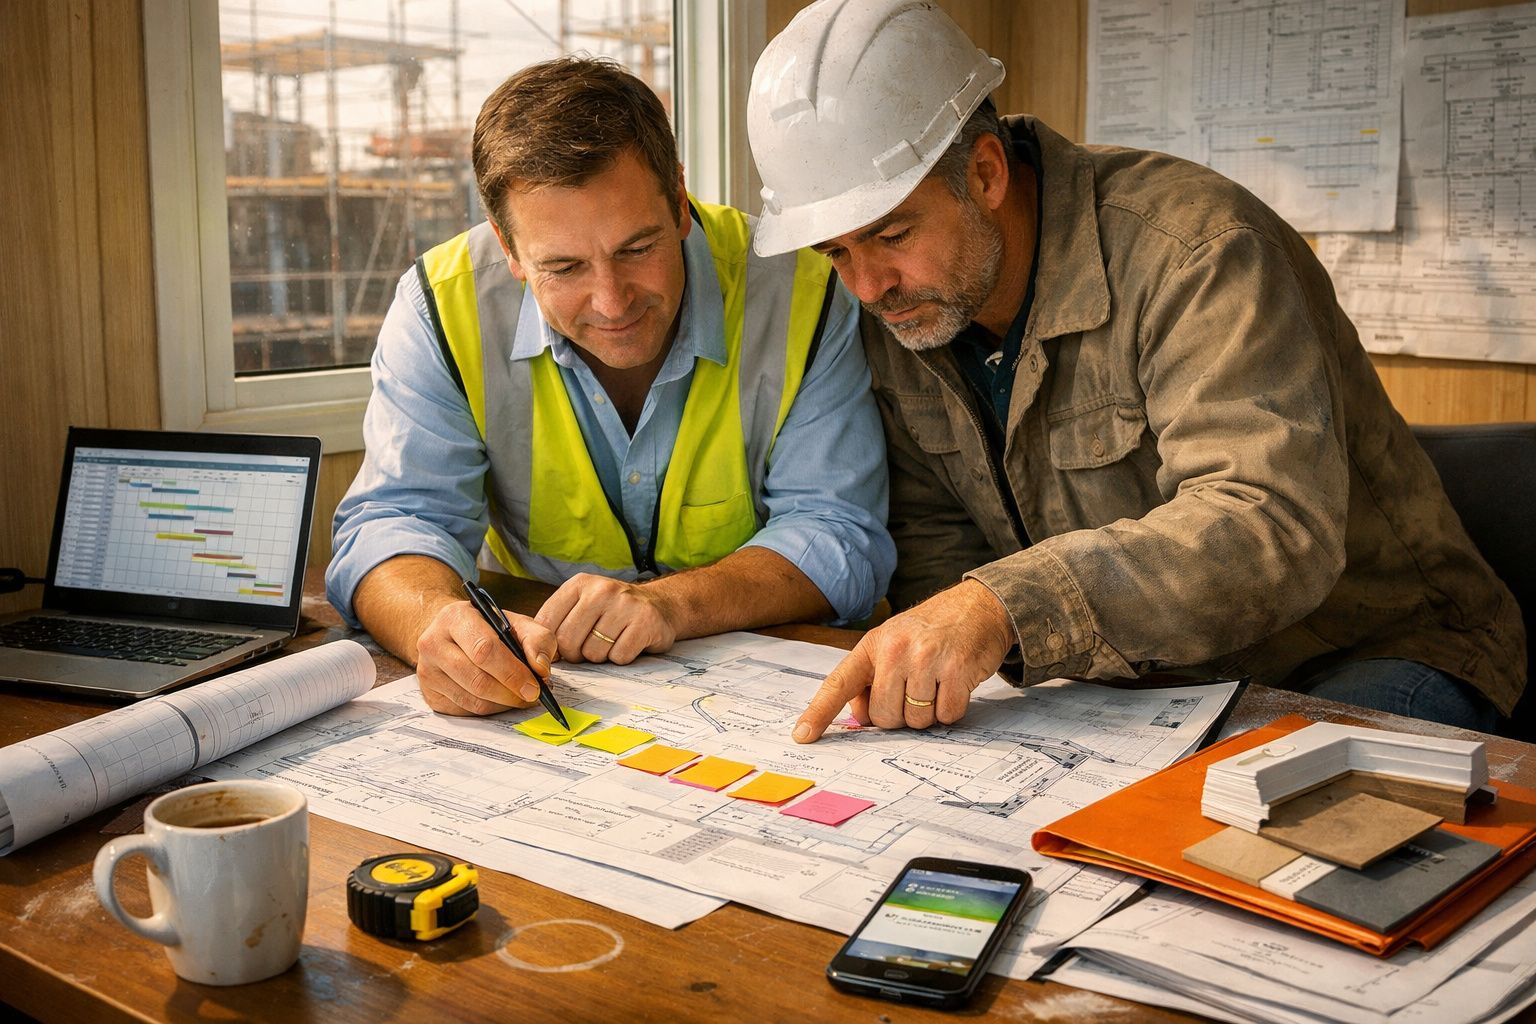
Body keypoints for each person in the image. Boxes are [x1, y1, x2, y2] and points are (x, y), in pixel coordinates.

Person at [745, 0, 1526, 742]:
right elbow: (936, 537)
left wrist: (1002, 609)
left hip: (1361, 652)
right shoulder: (909, 307)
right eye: (836, 252)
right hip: (1144, 688)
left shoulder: (1197, 251)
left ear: (984, 174)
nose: (867, 285)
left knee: (1240, 861)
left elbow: (1269, 523)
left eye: (891, 235)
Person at [329, 56, 894, 717]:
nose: (611, 301)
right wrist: (432, 622)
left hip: (770, 685)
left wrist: (670, 605)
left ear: (679, 202)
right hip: (544, 685)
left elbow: (839, 533)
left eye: (637, 248)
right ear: (509, 250)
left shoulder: (806, 290)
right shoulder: (439, 306)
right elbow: (394, 523)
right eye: (564, 267)